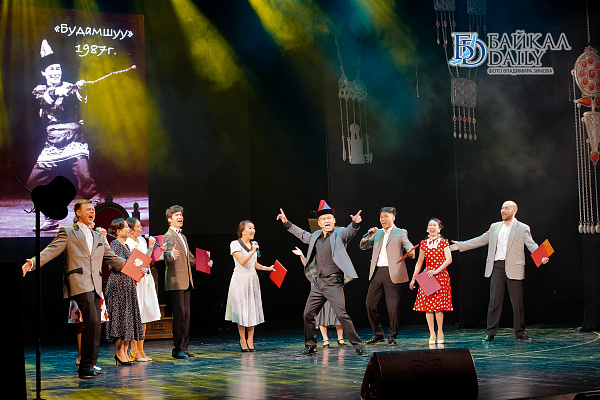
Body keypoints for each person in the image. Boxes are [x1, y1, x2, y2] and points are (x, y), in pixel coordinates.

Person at [21, 199, 125, 378]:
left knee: (96, 325)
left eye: (93, 210)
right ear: (78, 213)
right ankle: (84, 366)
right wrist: (32, 263)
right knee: (92, 321)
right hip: (78, 281)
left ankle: (90, 364)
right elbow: (51, 250)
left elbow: (113, 258)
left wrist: (135, 268)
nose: (92, 212)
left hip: (95, 284)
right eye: (88, 209)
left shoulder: (99, 236)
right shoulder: (68, 232)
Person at [277, 200, 368, 357]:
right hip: (319, 284)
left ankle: (358, 346)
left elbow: (349, 232)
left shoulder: (340, 233)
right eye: (323, 219)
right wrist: (287, 223)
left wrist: (354, 224)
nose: (327, 221)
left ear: (334, 220)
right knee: (308, 314)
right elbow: (301, 234)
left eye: (329, 218)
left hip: (334, 283)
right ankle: (310, 346)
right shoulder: (315, 236)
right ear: (319, 223)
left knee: (341, 315)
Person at [449, 200, 549, 342]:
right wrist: (461, 245)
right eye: (502, 208)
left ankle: (520, 333)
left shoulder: (522, 227)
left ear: (514, 210)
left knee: (517, 303)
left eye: (506, 208)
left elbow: (531, 244)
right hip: (497, 266)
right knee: (494, 301)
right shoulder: (495, 226)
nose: (503, 211)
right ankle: (490, 333)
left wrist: (541, 256)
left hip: (514, 266)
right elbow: (481, 239)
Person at [28, 39, 99, 231]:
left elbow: (83, 104)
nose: (55, 72)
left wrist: (81, 88)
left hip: (74, 139)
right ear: (43, 72)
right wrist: (59, 91)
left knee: (85, 179)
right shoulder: (39, 90)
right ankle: (51, 217)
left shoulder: (70, 86)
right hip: (52, 142)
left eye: (58, 69)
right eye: (51, 69)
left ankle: (98, 214)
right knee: (33, 183)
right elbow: (44, 101)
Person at [359, 206, 415, 346]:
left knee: (393, 307)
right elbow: (363, 246)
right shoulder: (377, 233)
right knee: (370, 304)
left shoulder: (401, 232)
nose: (383, 219)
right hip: (377, 271)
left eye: (386, 216)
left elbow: (408, 245)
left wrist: (411, 252)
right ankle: (378, 334)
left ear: (393, 217)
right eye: (381, 217)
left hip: (392, 272)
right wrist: (367, 235)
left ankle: (392, 335)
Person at [225, 220, 274, 352]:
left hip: (252, 279)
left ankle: (250, 340)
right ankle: (242, 339)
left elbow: (254, 264)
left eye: (253, 228)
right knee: (241, 310)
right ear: (242, 231)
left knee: (252, 309)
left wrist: (267, 268)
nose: (253, 231)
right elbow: (242, 261)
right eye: (250, 228)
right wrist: (252, 251)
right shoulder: (235, 244)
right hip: (240, 279)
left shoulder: (254, 244)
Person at [104, 218, 144, 366]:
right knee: (120, 318)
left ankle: (125, 352)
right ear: (119, 231)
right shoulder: (115, 244)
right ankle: (120, 352)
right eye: (126, 227)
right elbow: (114, 265)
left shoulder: (126, 245)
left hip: (128, 285)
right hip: (119, 285)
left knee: (127, 319)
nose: (129, 229)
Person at [292, 247, 347, 348]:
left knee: (338, 311)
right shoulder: (315, 254)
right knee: (321, 312)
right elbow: (307, 265)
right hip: (318, 285)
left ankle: (340, 338)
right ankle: (325, 339)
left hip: (332, 284)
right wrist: (301, 255)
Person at [163, 205, 199, 359]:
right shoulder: (168, 236)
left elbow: (190, 258)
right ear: (169, 219)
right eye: (177, 215)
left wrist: (204, 263)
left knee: (186, 315)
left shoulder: (183, 237)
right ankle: (177, 348)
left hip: (186, 280)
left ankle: (184, 347)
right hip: (176, 280)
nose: (180, 217)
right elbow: (167, 256)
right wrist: (170, 254)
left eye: (181, 215)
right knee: (179, 315)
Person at [409, 218, 453, 344]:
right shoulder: (424, 243)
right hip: (427, 276)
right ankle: (432, 333)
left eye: (435, 225)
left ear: (439, 228)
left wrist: (436, 271)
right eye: (430, 225)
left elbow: (449, 259)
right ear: (427, 228)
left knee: (438, 307)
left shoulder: (443, 242)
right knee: (428, 307)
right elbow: (419, 262)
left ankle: (440, 332)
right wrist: (413, 278)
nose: (432, 227)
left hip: (441, 275)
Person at [125, 217, 162, 362]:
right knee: (137, 314)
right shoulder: (128, 243)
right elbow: (139, 261)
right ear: (131, 230)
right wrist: (151, 247)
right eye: (138, 227)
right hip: (136, 281)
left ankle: (141, 349)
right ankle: (133, 350)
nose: (141, 229)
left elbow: (148, 261)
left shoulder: (141, 240)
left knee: (144, 315)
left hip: (146, 278)